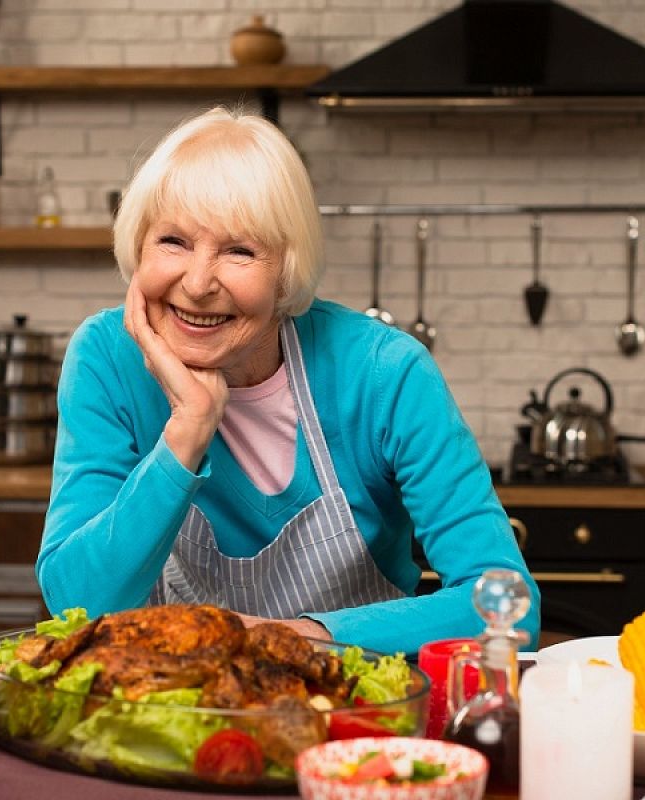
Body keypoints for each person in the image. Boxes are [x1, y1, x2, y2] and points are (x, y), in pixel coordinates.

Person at [37, 107, 540, 655]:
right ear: (138, 248)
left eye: (240, 251)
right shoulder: (107, 360)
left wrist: (303, 640)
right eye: (173, 242)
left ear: (286, 273)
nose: (199, 282)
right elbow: (76, 604)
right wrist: (189, 428)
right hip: (169, 710)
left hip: (355, 712)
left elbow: (510, 606)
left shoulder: (384, 374)